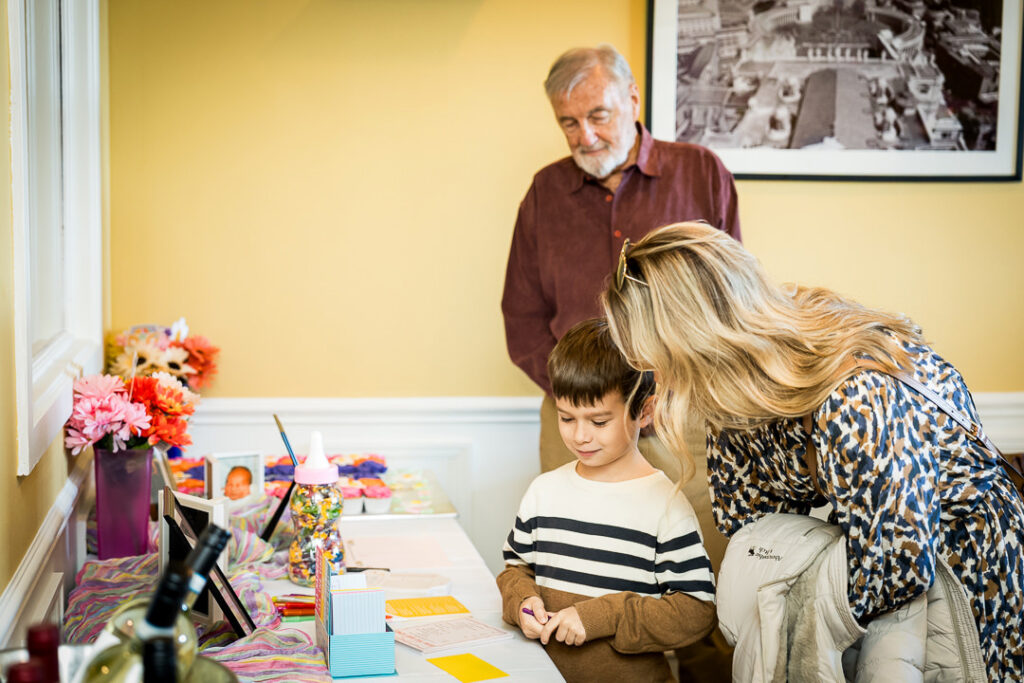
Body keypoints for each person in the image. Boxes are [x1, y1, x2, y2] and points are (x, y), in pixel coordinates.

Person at [601, 221, 1024, 679]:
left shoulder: (853, 392)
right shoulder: (742, 382)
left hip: (968, 576)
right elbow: (746, 522)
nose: (653, 377)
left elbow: (898, 566)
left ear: (698, 340)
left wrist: (801, 627)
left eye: (656, 359)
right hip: (886, 575)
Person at [497, 318, 716, 682]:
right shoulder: (543, 492)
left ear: (644, 412)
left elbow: (697, 612)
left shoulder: (666, 507)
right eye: (567, 418)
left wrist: (602, 616)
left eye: (599, 422)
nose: (581, 436)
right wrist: (521, 603)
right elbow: (515, 570)